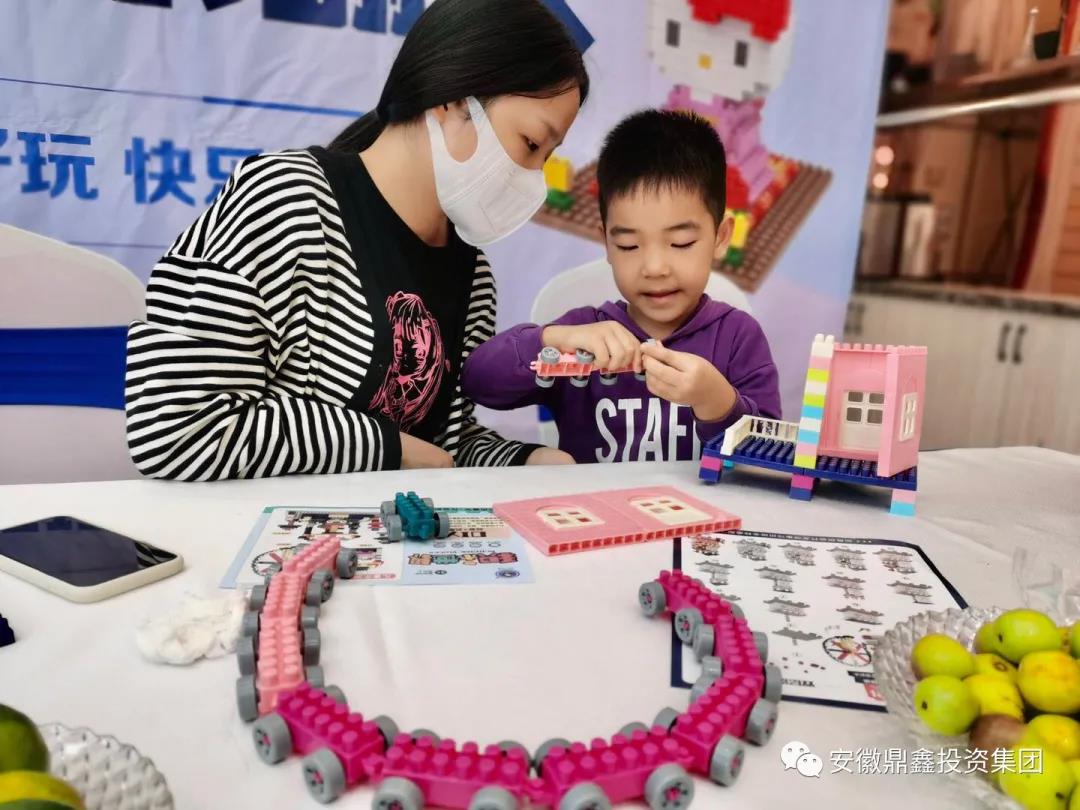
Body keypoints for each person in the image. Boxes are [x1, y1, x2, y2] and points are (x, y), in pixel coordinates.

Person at [124, 0, 587, 480]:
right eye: (531, 144)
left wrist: (527, 462)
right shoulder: (286, 201)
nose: (532, 177)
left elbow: (444, 445)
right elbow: (174, 428)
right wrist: (386, 446)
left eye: (547, 156)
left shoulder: (473, 275)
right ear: (453, 98)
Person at [461, 109, 781, 464]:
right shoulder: (582, 333)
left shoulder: (738, 337)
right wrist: (550, 339)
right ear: (607, 244)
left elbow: (769, 458)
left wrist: (717, 401)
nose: (654, 268)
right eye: (629, 245)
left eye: (681, 243)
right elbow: (478, 382)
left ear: (720, 238)